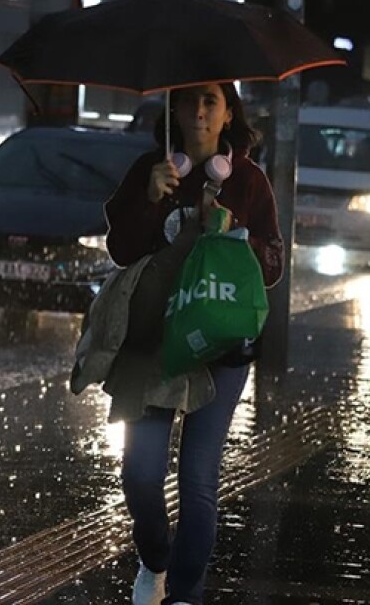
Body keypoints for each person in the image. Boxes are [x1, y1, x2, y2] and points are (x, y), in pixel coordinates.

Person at [102, 82, 283, 605]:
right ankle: (154, 557)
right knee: (140, 474)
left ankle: (185, 593)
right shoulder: (152, 170)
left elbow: (273, 264)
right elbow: (120, 250)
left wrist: (234, 234)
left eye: (210, 102)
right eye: (189, 101)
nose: (199, 111)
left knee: (198, 479)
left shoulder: (247, 181)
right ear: (174, 110)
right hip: (153, 342)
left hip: (219, 346)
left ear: (228, 115)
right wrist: (149, 201)